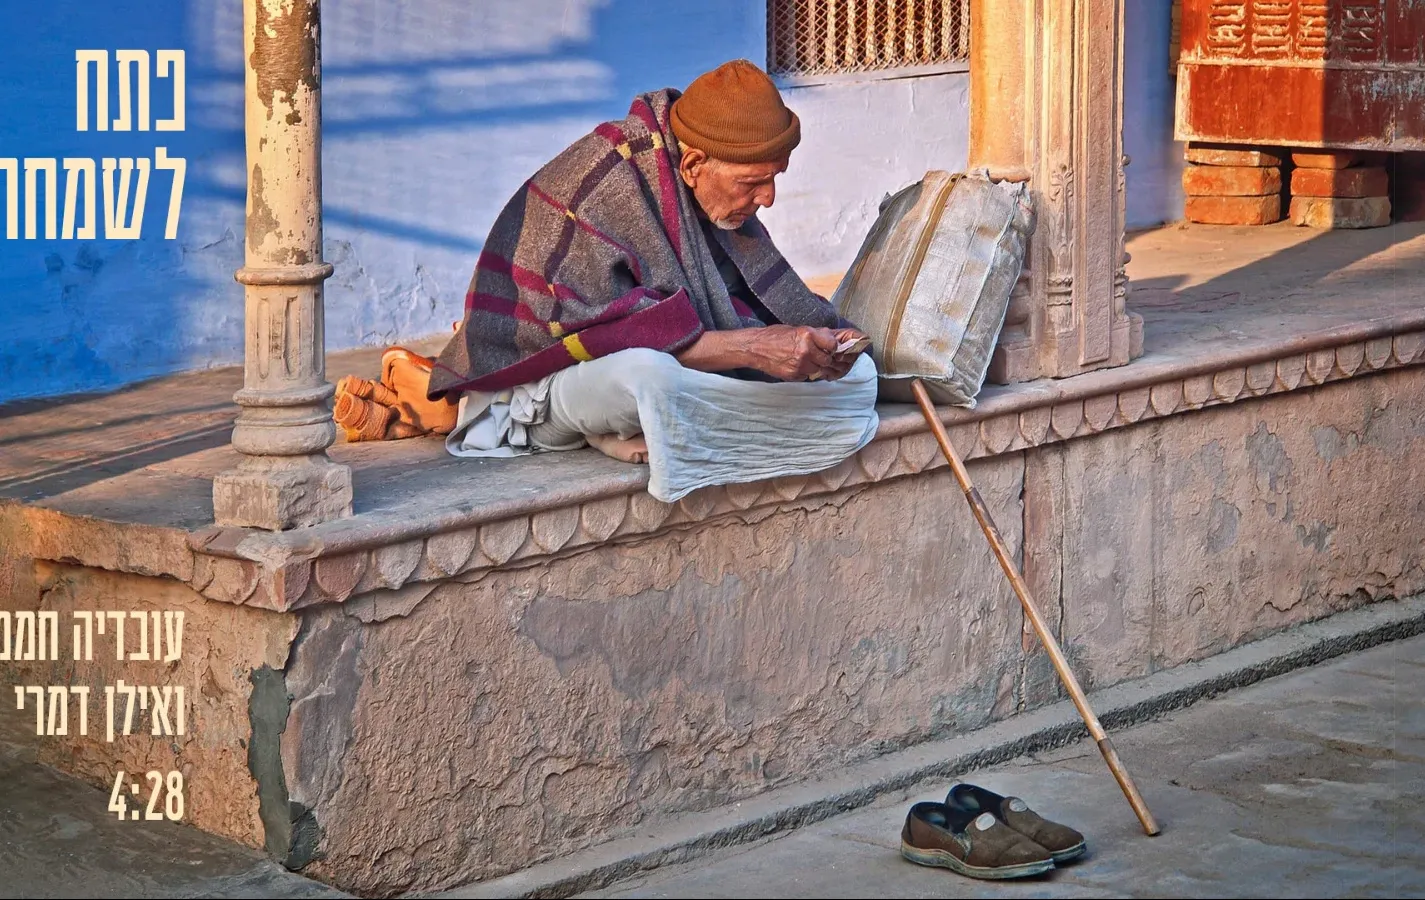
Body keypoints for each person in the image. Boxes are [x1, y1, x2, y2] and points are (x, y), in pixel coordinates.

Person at [338, 60, 880, 504]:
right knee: (649, 377)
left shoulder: (702, 191)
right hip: (550, 369)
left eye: (775, 179)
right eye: (754, 183)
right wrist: (756, 348)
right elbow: (601, 337)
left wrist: (821, 342)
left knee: (857, 382)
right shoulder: (604, 183)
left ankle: (599, 428)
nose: (768, 199)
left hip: (626, 363)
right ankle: (471, 407)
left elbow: (753, 298)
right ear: (693, 163)